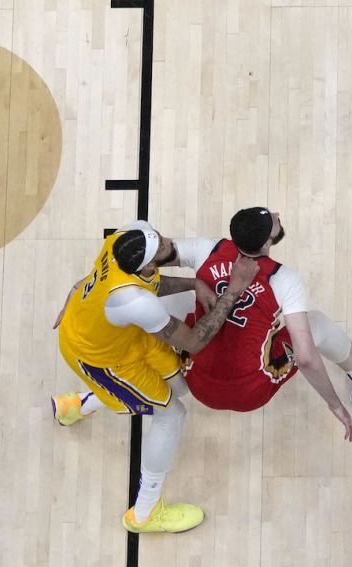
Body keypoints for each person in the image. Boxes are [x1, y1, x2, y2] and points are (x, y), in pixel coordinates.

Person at [53, 220, 260, 533]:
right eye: (163, 246)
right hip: (103, 360)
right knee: (172, 414)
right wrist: (234, 290)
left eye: (160, 238)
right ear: (148, 262)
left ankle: (77, 405)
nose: (169, 242)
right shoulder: (136, 303)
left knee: (181, 384)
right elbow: (194, 341)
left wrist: (193, 283)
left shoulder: (123, 240)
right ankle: (145, 513)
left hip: (118, 334)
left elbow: (109, 282)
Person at [180, 206, 352, 436]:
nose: (277, 214)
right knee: (313, 324)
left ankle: (166, 379)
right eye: (272, 220)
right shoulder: (283, 279)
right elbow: (305, 358)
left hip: (198, 383)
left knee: (169, 297)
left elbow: (158, 251)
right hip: (249, 391)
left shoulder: (206, 249)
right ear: (266, 242)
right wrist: (334, 404)